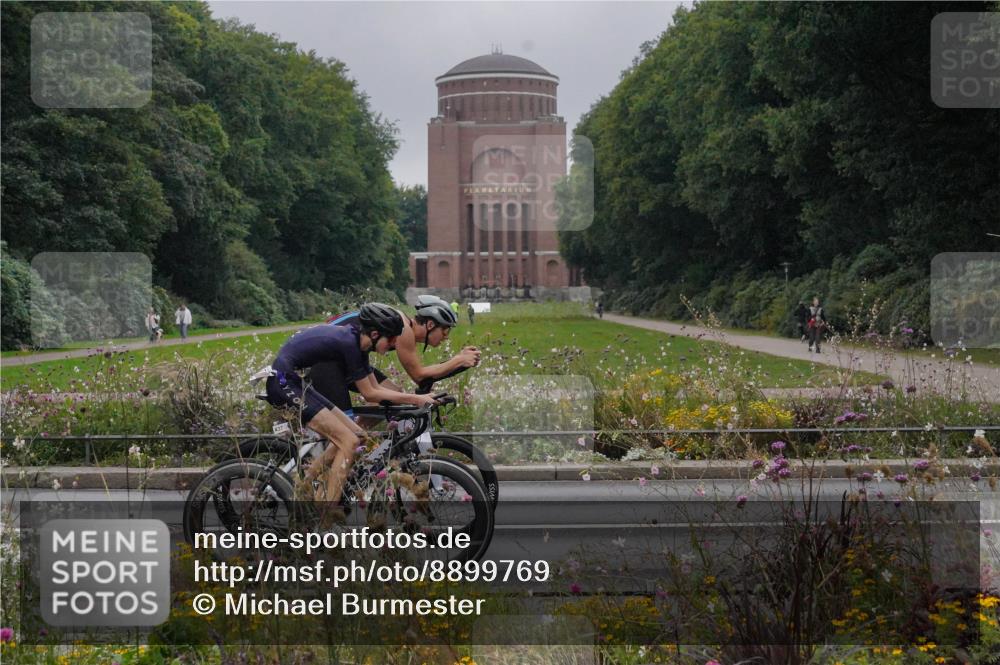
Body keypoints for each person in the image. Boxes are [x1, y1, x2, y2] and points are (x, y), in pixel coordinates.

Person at [262, 303, 439, 515]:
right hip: (282, 382)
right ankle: (325, 516)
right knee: (349, 441)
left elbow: (375, 389)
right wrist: (415, 399)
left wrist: (411, 400)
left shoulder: (358, 346)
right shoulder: (350, 344)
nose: (394, 344)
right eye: (391, 339)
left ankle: (304, 487)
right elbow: (370, 395)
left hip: (294, 381)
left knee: (358, 435)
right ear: (374, 334)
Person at [310, 296, 480, 410]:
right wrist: (458, 360)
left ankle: (365, 443)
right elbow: (419, 375)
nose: (446, 337)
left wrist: (457, 361)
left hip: (347, 360)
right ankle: (344, 449)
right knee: (345, 433)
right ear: (430, 325)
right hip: (326, 362)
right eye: (445, 331)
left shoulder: (403, 327)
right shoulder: (404, 329)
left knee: (393, 396)